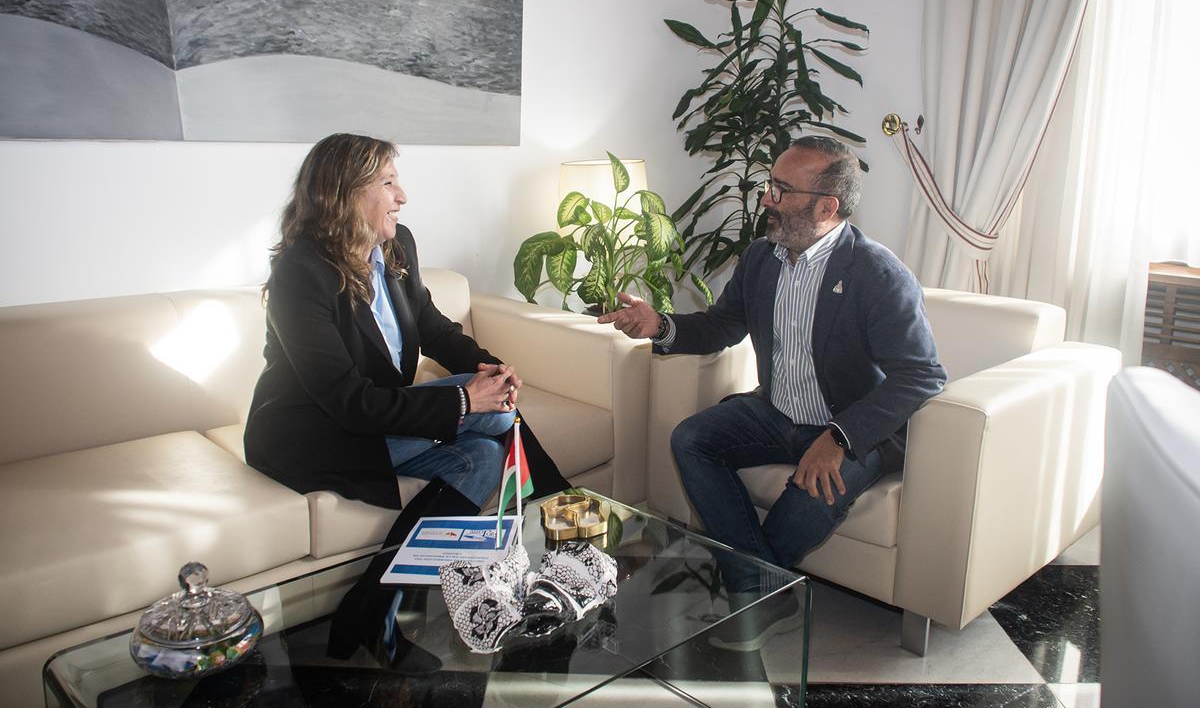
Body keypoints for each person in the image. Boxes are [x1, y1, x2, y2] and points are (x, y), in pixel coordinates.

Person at [599, 136, 946, 644]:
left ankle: (751, 591)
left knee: (809, 498)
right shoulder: (763, 257)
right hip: (776, 411)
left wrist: (840, 438)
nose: (766, 199)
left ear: (827, 207)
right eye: (769, 186)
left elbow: (922, 374)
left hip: (847, 426)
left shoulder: (876, 274)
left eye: (781, 190)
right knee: (691, 439)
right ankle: (766, 593)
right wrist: (661, 325)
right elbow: (725, 324)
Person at [245, 133, 563, 511]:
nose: (402, 196)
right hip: (314, 437)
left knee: (483, 457)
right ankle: (558, 505)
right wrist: (466, 397)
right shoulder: (300, 274)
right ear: (346, 193)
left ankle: (401, 570)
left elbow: (434, 329)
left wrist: (491, 369)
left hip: (378, 425)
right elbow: (347, 400)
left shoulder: (397, 245)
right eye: (388, 182)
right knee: (498, 414)